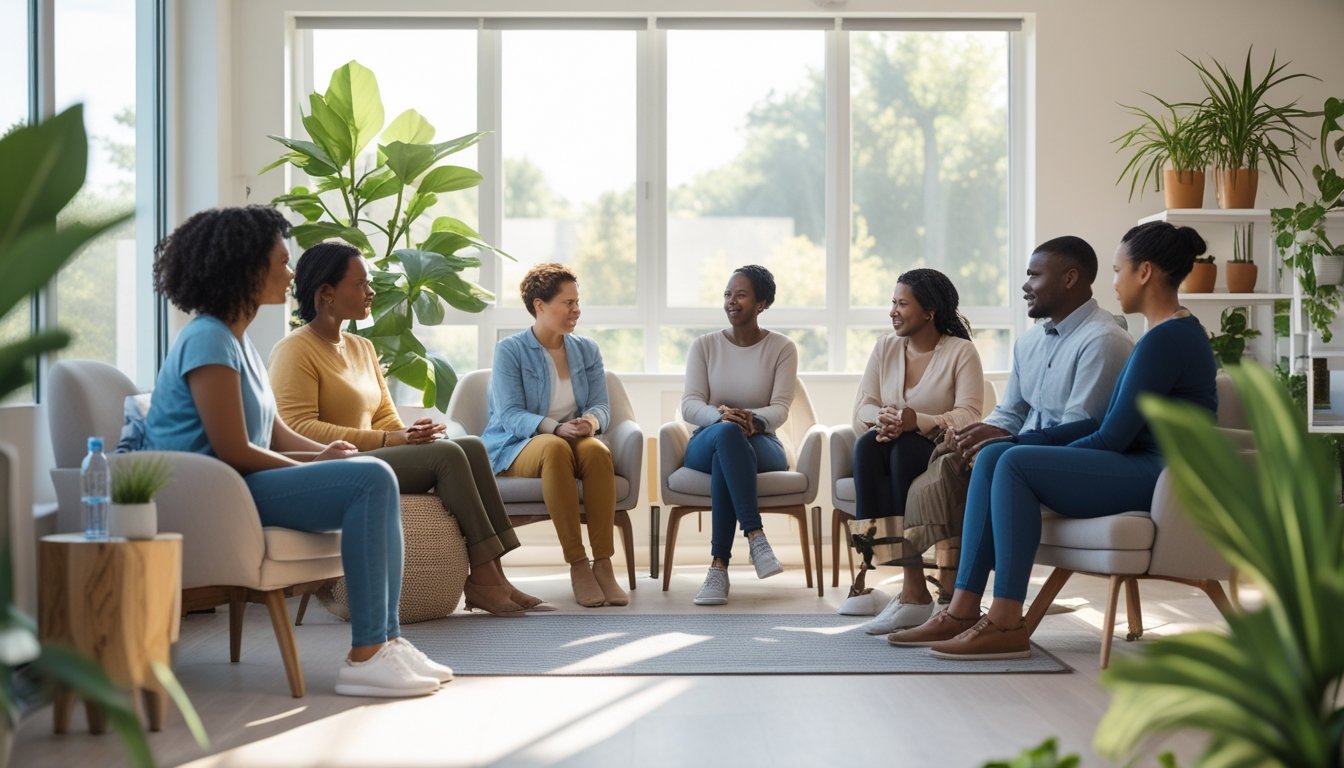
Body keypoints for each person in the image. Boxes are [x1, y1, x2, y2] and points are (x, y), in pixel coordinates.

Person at [144, 206, 452, 697]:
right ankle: (366, 655)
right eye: (283, 263)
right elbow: (233, 448)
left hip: (240, 485)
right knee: (371, 478)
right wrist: (315, 466)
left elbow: (275, 431)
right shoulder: (207, 338)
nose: (292, 274)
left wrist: (328, 455)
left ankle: (388, 641)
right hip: (214, 495)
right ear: (246, 268)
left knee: (369, 472)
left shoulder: (236, 340)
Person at [888, 221, 1217, 660]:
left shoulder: (1164, 340)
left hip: (1163, 478)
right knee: (996, 458)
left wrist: (1031, 453)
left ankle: (1006, 620)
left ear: (1145, 273)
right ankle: (964, 609)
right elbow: (1106, 427)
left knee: (1013, 463)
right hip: (1140, 465)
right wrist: (1016, 445)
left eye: (1119, 270)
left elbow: (1111, 436)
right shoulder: (1159, 336)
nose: (1113, 281)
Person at [862, 238, 1134, 635]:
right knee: (942, 455)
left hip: (1070, 463)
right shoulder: (1031, 343)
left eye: (1034, 275)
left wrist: (1000, 441)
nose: (1025, 286)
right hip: (1028, 454)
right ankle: (937, 598)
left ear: (1070, 278)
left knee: (981, 459)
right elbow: (1011, 413)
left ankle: (961, 603)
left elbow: (1081, 427)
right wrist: (976, 434)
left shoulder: (1103, 340)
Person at [269, 241, 548, 617]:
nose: (371, 291)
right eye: (361, 284)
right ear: (326, 293)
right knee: (448, 456)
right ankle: (483, 579)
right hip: (334, 467)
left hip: (371, 455)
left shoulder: (361, 348)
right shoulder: (295, 350)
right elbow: (298, 427)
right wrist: (390, 440)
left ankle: (496, 575)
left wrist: (411, 436)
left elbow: (385, 416)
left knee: (470, 446)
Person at [481, 263, 626, 608]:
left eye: (578, 302)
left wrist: (590, 422)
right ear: (539, 305)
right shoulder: (510, 350)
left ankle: (603, 564)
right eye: (568, 303)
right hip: (521, 444)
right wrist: (555, 427)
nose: (576, 310)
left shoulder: (587, 349)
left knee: (597, 453)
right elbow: (510, 415)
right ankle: (578, 564)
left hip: (575, 438)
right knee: (555, 449)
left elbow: (601, 405)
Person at [849, 268, 983, 633]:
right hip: (892, 442)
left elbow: (971, 414)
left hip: (940, 452)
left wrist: (917, 420)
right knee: (866, 447)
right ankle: (909, 586)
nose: (893, 311)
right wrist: (886, 417)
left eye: (902, 304)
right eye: (892, 302)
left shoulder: (961, 352)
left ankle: (913, 592)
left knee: (904, 450)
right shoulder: (885, 347)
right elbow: (862, 408)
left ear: (929, 311)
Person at [682, 265, 798, 607]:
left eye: (741, 295)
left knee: (727, 454)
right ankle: (756, 536)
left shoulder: (782, 348)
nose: (732, 302)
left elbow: (781, 407)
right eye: (727, 295)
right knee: (726, 437)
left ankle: (719, 566)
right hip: (708, 438)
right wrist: (721, 416)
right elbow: (689, 405)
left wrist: (754, 420)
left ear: (761, 303)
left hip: (763, 442)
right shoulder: (703, 346)